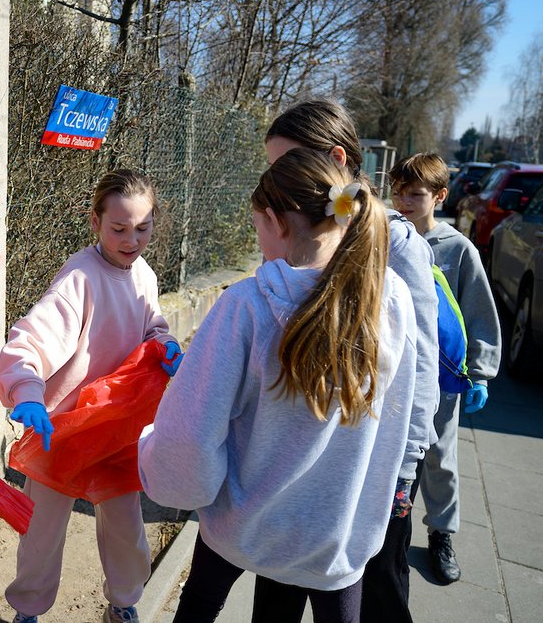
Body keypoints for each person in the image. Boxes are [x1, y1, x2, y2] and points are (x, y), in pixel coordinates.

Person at [139, 148, 417, 623]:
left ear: (274, 220)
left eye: (257, 227)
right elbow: (395, 421)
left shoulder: (246, 306)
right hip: (335, 534)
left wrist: (162, 466)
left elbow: (191, 433)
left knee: (201, 603)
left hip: (240, 524)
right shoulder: (389, 299)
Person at [264, 99, 439, 623]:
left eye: (284, 165)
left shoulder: (398, 246)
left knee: (376, 598)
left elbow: (420, 365)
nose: (274, 181)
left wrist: (404, 473)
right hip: (303, 469)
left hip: (374, 475)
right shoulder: (298, 231)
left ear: (337, 160)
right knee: (279, 591)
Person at [0, 169, 183, 623]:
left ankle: (125, 602)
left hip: (116, 427)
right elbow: (31, 341)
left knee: (125, 524)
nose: (131, 239)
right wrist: (28, 391)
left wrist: (165, 343)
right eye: (118, 228)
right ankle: (28, 610)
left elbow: (152, 325)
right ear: (94, 221)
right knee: (43, 526)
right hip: (63, 427)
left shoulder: (145, 275)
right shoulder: (79, 277)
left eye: (143, 227)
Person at [391, 152, 501, 584]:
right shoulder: (387, 240)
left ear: (440, 195)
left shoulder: (457, 249)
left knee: (439, 456)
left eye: (415, 194)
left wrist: (481, 371)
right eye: (398, 192)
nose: (403, 202)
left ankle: (441, 533)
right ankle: (384, 525)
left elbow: (478, 311)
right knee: (393, 450)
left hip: (443, 375)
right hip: (396, 371)